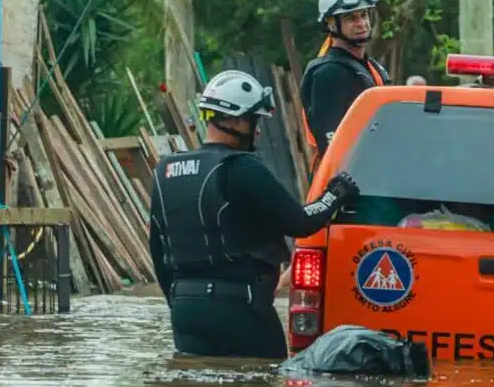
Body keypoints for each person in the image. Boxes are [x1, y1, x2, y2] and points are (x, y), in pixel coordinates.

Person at [149, 69, 362, 359]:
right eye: (254, 120)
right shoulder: (242, 167)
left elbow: (158, 250)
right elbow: (300, 221)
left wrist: (180, 304)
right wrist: (335, 194)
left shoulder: (166, 170)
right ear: (235, 120)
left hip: (185, 311)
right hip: (240, 309)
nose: (258, 130)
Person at [299, 0, 391, 174]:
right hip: (353, 183)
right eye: (351, 17)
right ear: (332, 24)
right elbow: (332, 144)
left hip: (379, 175)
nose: (361, 23)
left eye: (364, 15)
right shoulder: (329, 73)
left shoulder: (371, 68)